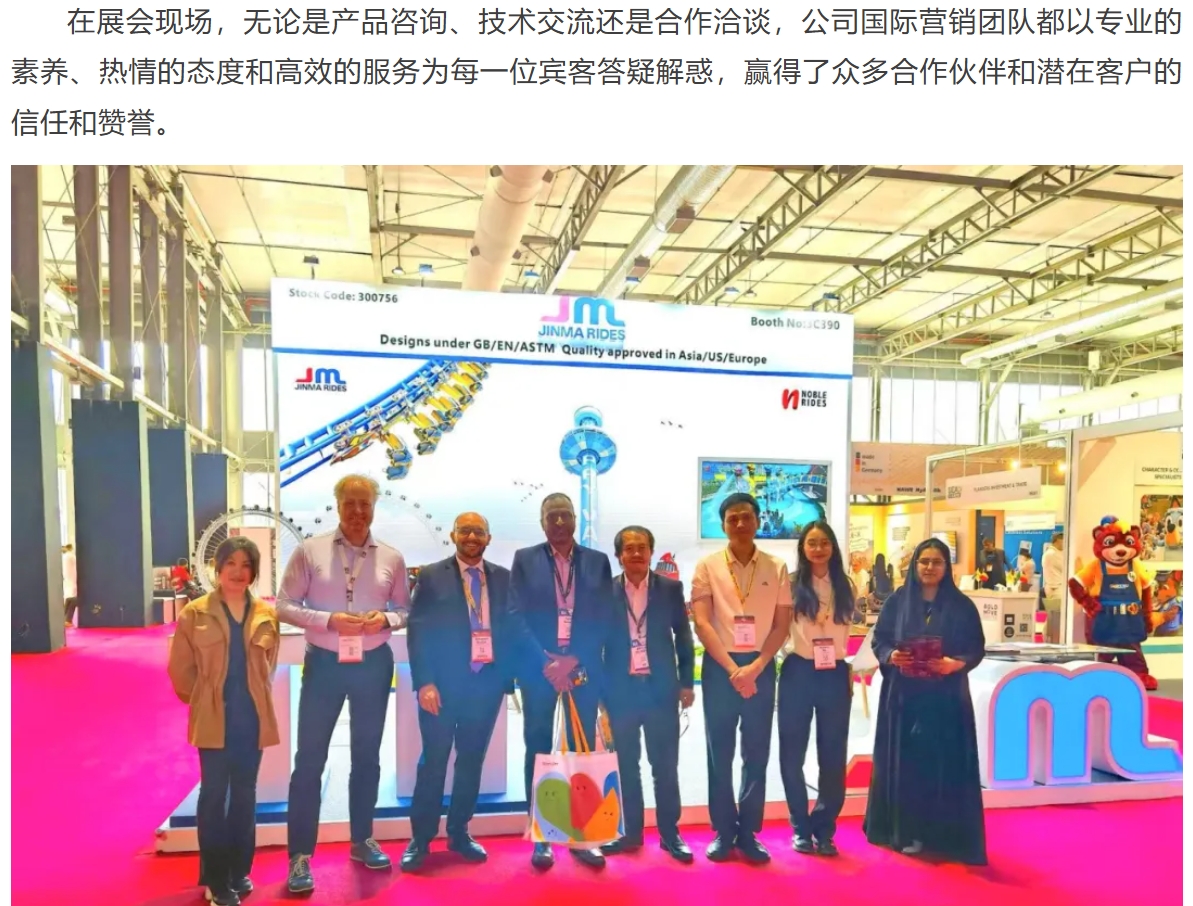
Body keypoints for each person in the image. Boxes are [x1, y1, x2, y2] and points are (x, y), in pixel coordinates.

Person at [276, 474, 411, 894]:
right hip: (324, 665)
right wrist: (328, 620)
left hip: (373, 664)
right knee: (309, 759)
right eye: (350, 503)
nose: (357, 511)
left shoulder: (392, 557)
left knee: (367, 757)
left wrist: (384, 619)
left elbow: (405, 610)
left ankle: (362, 839)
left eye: (364, 503)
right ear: (337, 505)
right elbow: (283, 605)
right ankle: (300, 855)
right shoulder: (309, 551)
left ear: (374, 507)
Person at [167, 537, 280, 906]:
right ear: (218, 567)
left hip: (252, 718)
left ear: (254, 572)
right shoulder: (194, 613)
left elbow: (268, 666)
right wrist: (204, 701)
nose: (237, 571)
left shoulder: (266, 614)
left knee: (245, 795)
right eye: (230, 563)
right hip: (214, 719)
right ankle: (216, 880)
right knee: (214, 795)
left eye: (246, 564)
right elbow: (180, 671)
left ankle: (237, 871)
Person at [863, 537, 987, 865]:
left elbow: (976, 647)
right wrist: (892, 656)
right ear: (915, 565)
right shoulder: (897, 601)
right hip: (904, 697)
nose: (930, 567)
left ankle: (942, 836)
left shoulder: (962, 605)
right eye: (924, 561)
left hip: (946, 698)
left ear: (947, 567)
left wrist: (955, 664)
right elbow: (880, 640)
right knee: (906, 764)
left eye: (937, 562)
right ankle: (905, 832)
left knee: (942, 763)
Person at [507, 492, 614, 870]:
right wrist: (547, 662)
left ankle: (583, 836)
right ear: (542, 522)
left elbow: (604, 615)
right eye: (551, 516)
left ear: (574, 520)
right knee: (539, 748)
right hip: (539, 669)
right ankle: (544, 833)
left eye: (564, 515)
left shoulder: (597, 562)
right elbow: (514, 614)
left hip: (582, 665)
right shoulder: (525, 559)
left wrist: (573, 658)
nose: (558, 522)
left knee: (581, 748)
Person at [402, 512, 513, 873]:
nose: (471, 537)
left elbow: (512, 628)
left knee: (471, 761)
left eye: (478, 531)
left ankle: (459, 832)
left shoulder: (503, 578)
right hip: (442, 688)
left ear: (488, 538)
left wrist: (508, 678)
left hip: (485, 685)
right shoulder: (432, 576)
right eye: (465, 530)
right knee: (433, 761)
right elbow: (418, 631)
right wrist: (424, 682)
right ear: (453, 535)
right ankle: (421, 839)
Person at [691, 492, 793, 864]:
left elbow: (782, 625)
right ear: (723, 525)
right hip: (721, 668)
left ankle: (748, 832)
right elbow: (702, 623)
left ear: (758, 521)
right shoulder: (707, 566)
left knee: (756, 752)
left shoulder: (777, 567)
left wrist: (757, 666)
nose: (740, 524)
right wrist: (733, 669)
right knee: (719, 752)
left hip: (760, 668)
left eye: (746, 517)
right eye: (732, 518)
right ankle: (723, 830)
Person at [600, 525, 695, 864]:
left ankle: (670, 834)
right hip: (621, 693)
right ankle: (630, 833)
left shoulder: (670, 589)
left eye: (642, 547)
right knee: (626, 765)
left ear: (651, 552)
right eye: (629, 548)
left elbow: (683, 636)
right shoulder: (605, 591)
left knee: (664, 766)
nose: (636, 553)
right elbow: (597, 644)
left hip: (660, 691)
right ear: (619, 555)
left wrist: (686, 683)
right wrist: (600, 696)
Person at [779, 521, 855, 858]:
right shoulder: (790, 584)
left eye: (824, 542)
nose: (818, 549)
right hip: (798, 670)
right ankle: (800, 826)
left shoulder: (845, 585)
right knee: (791, 753)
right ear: (803, 548)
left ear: (833, 547)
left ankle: (824, 830)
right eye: (812, 543)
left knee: (833, 754)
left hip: (834, 673)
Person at [1042, 532, 1065, 601]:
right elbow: (1066, 568)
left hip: (1052, 588)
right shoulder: (1053, 554)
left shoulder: (1048, 553)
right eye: (1064, 541)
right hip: (1056, 589)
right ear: (1058, 540)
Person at [62, 543, 78, 629]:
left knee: (68, 599)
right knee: (73, 598)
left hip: (67, 580)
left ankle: (64, 618)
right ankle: (68, 620)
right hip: (72, 579)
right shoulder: (71, 556)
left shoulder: (64, 557)